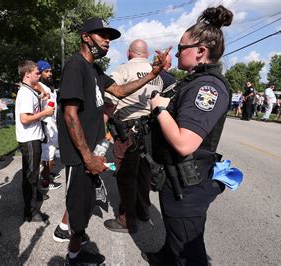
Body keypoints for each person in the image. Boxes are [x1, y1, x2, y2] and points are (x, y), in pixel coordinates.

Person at [57, 17, 167, 264]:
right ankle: (73, 257)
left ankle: (78, 246)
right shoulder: (75, 66)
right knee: (77, 207)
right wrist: (87, 157)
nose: (107, 41)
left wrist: (153, 73)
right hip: (79, 155)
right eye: (102, 35)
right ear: (86, 37)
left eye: (109, 37)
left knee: (85, 205)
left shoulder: (95, 69)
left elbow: (119, 90)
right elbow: (70, 114)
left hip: (92, 152)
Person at [145, 6, 232, 264]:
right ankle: (164, 257)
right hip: (175, 177)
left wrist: (159, 108)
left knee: (188, 252)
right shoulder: (192, 81)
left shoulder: (207, 87)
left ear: (200, 52)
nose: (178, 51)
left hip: (187, 183)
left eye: (182, 47)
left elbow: (184, 142)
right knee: (175, 235)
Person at [102, 39, 165, 234]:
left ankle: (126, 219)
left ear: (129, 53)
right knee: (144, 173)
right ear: (146, 54)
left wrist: (100, 127)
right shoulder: (158, 76)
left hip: (127, 131)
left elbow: (110, 100)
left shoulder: (123, 70)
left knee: (126, 175)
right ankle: (143, 210)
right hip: (149, 131)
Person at [15, 60, 55, 222]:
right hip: (29, 139)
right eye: (37, 72)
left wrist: (42, 97)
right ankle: (30, 212)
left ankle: (31, 204)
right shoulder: (24, 93)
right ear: (27, 74)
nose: (39, 75)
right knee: (31, 176)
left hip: (32, 137)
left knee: (30, 174)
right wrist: (45, 112)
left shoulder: (29, 91)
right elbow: (24, 118)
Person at [36, 60, 62, 191]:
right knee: (48, 154)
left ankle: (46, 174)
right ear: (39, 73)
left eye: (50, 71)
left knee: (50, 152)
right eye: (46, 71)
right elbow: (31, 82)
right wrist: (42, 90)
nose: (50, 73)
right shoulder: (39, 85)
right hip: (45, 124)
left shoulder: (50, 86)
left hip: (52, 123)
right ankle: (45, 181)